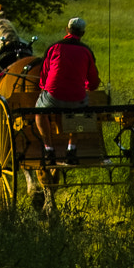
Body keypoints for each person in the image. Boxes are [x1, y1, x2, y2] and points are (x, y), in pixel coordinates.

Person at [35, 17, 101, 165]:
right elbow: (94, 82)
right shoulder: (86, 51)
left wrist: (44, 89)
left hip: (53, 96)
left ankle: (49, 149)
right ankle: (72, 149)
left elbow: (44, 75)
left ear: (67, 30)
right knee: (81, 111)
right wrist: (89, 87)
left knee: (39, 112)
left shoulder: (54, 48)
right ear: (82, 33)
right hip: (77, 98)